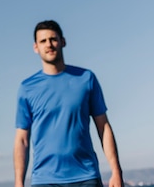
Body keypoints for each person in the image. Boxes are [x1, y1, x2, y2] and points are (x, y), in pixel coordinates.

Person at [14, 20, 123, 187]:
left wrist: (116, 171)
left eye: (53, 39)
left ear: (62, 41)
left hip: (86, 176)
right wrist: (19, 182)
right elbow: (22, 139)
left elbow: (103, 127)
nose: (49, 44)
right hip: (44, 180)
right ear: (36, 47)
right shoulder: (27, 88)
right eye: (43, 41)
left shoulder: (86, 78)